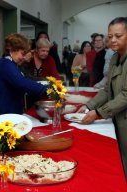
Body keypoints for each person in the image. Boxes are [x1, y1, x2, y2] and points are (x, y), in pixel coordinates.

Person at [79, 17, 127, 180]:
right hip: (118, 118)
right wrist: (88, 105)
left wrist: (98, 112)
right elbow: (108, 89)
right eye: (110, 36)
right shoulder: (115, 57)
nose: (113, 40)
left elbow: (125, 95)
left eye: (118, 36)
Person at [0, 33, 48, 114]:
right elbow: (22, 83)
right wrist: (48, 90)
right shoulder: (6, 64)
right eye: (22, 54)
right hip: (4, 114)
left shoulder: (11, 63)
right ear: (12, 50)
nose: (24, 57)